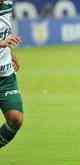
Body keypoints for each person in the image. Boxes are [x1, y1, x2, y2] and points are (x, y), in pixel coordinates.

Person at [0, 0, 23, 149]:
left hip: (6, 75)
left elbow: (4, 32)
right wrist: (1, 43)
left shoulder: (7, 3)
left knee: (15, 119)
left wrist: (9, 52)